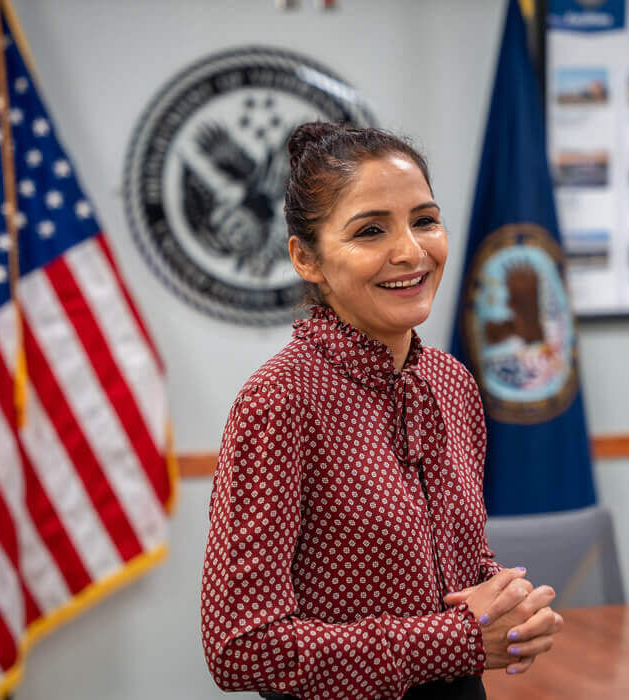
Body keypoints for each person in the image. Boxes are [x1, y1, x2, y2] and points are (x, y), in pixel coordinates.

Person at [200, 122, 563, 700]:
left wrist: (506, 605)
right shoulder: (278, 402)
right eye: (370, 231)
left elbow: (455, 565)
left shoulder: (451, 382)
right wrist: (458, 640)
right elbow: (241, 646)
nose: (411, 251)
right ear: (307, 258)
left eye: (425, 220)